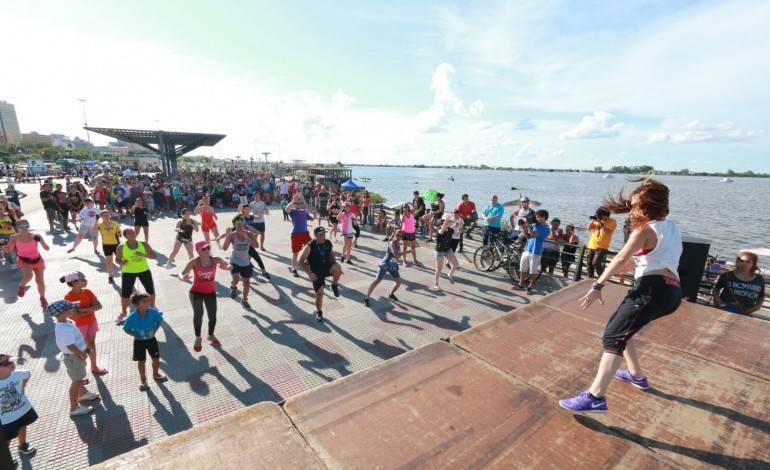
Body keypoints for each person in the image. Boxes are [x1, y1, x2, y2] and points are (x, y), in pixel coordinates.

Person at [559, 179, 683, 414]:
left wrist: (597, 286)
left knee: (612, 337)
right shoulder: (671, 227)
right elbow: (657, 256)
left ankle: (595, 397)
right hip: (672, 291)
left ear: (645, 206)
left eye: (635, 205)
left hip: (651, 288)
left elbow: (619, 259)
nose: (632, 210)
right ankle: (637, 376)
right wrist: (635, 265)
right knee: (624, 329)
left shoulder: (644, 229)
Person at [49, 299, 101, 416]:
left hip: (75, 356)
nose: (74, 309)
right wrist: (81, 353)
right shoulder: (64, 329)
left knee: (79, 377)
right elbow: (70, 345)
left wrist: (84, 349)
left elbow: (75, 341)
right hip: (74, 357)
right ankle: (74, 408)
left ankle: (83, 394)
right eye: (71, 308)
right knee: (76, 381)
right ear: (64, 313)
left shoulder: (67, 322)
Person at [181, 241, 230, 352]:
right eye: (203, 249)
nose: (207, 250)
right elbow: (182, 273)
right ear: (198, 251)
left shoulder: (215, 259)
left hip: (210, 292)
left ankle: (211, 335)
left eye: (208, 247)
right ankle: (198, 337)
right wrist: (183, 277)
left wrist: (228, 267)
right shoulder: (194, 262)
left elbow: (226, 264)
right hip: (196, 292)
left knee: (212, 316)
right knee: (199, 314)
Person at [61, 271, 107, 375]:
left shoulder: (88, 292)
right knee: (82, 347)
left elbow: (99, 306)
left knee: (91, 344)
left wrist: (82, 310)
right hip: (79, 326)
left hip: (91, 322)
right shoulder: (68, 297)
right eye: (82, 280)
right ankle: (81, 373)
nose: (85, 281)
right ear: (74, 283)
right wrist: (90, 309)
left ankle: (94, 367)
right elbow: (76, 315)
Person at [122, 293, 167, 391]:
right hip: (139, 342)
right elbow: (126, 329)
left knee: (156, 358)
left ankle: (156, 374)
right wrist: (135, 335)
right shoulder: (132, 317)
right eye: (144, 301)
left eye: (148, 300)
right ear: (136, 305)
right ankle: (143, 380)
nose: (147, 303)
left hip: (152, 340)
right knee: (141, 361)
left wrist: (154, 330)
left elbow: (159, 321)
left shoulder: (153, 312)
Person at [298, 226, 343, 322]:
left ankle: (334, 285)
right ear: (315, 236)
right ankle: (319, 311)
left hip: (326, 266)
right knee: (320, 294)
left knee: (338, 267)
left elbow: (331, 255)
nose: (322, 237)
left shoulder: (327, 243)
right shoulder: (309, 246)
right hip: (316, 271)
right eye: (320, 235)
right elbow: (300, 261)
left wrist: (336, 266)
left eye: (324, 234)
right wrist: (309, 274)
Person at [115, 229, 158, 325]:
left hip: (144, 270)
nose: (131, 234)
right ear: (125, 236)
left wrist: (143, 254)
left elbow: (154, 256)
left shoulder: (143, 244)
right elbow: (117, 259)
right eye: (129, 233)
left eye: (133, 233)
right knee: (125, 293)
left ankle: (153, 308)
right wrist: (121, 262)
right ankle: (123, 312)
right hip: (128, 272)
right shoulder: (121, 247)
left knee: (150, 291)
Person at [0, 353, 38, 458]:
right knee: (6, 437)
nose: (12, 364)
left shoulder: (16, 374)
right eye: (7, 364)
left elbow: (27, 374)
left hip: (22, 409)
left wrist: (23, 385)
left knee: (23, 425)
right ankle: (5, 457)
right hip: (6, 417)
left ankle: (22, 446)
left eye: (11, 362)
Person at [4, 220, 49, 309]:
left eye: (26, 226)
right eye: (22, 226)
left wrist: (41, 240)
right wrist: (2, 244)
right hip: (24, 260)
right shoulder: (14, 237)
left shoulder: (35, 236)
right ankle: (22, 286)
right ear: (17, 228)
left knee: (40, 281)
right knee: (29, 275)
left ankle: (42, 298)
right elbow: (8, 250)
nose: (24, 228)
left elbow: (47, 248)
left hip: (37, 260)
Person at [712, 251, 766, 315]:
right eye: (741, 261)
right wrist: (719, 301)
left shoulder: (759, 279)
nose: (744, 264)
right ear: (737, 262)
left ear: (753, 264)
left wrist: (757, 307)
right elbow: (716, 289)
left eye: (748, 262)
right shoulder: (727, 275)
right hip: (725, 309)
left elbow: (761, 295)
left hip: (745, 312)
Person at [222, 216, 259, 309]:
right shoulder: (232, 235)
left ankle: (244, 300)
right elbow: (224, 248)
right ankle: (233, 287)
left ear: (244, 224)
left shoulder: (249, 233)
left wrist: (246, 237)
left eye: (241, 224)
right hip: (234, 260)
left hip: (245, 261)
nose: (240, 226)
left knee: (247, 283)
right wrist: (227, 237)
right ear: (234, 225)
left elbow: (256, 245)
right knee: (236, 279)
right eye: (237, 224)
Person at [514, 209, 550, 294]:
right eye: (536, 217)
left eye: (538, 217)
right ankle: (521, 285)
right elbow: (528, 236)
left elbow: (534, 235)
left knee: (533, 271)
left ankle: (530, 288)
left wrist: (528, 224)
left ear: (544, 217)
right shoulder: (534, 224)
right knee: (523, 268)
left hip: (536, 251)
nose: (536, 219)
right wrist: (522, 227)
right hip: (527, 249)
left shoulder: (546, 228)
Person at [364, 230, 403, 306]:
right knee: (377, 280)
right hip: (385, 264)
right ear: (394, 235)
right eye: (397, 235)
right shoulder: (392, 243)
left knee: (398, 282)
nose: (399, 237)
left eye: (400, 236)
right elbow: (396, 255)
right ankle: (366, 298)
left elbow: (397, 256)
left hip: (393, 265)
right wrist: (409, 251)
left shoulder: (398, 243)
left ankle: (391, 294)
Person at [585, 207, 617, 278]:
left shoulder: (612, 221)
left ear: (606, 215)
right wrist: (593, 220)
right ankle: (590, 279)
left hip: (602, 247)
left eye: (602, 215)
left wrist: (601, 223)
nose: (601, 217)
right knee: (589, 264)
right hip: (591, 245)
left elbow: (607, 231)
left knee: (596, 263)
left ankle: (602, 279)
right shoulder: (596, 220)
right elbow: (589, 229)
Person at [285, 195, 313, 277]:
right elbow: (286, 209)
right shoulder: (293, 211)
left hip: (305, 233)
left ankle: (305, 261)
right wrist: (293, 201)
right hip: (296, 234)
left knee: (311, 247)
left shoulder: (304, 211)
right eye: (296, 203)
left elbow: (310, 214)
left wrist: (302, 200)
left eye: (299, 203)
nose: (298, 204)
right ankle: (294, 268)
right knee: (295, 252)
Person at [433, 214, 459, 290]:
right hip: (440, 251)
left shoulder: (451, 230)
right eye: (450, 221)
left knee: (455, 264)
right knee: (439, 269)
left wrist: (458, 225)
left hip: (448, 250)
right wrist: (447, 220)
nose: (451, 222)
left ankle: (449, 274)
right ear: (445, 221)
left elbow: (458, 230)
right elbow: (442, 231)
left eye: (451, 221)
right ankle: (436, 284)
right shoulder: (439, 229)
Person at [96, 211, 121, 285]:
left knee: (120, 260)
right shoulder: (100, 225)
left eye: (108, 215)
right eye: (104, 215)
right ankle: (110, 276)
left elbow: (119, 233)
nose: (106, 216)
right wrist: (96, 219)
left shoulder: (115, 223)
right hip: (106, 245)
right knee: (109, 262)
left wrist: (120, 233)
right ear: (101, 217)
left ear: (110, 216)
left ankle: (125, 274)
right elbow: (93, 228)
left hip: (116, 245)